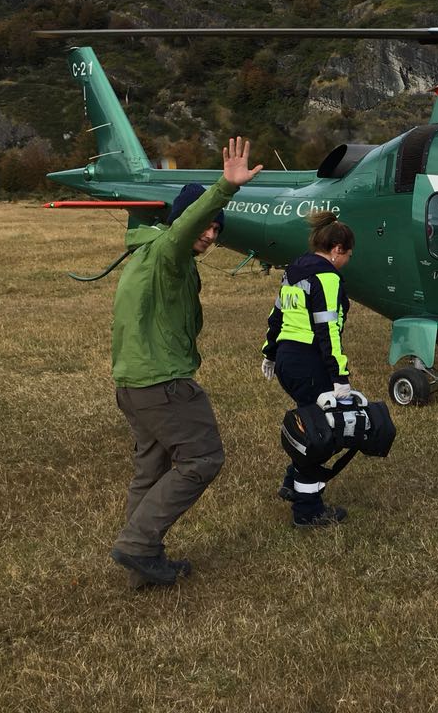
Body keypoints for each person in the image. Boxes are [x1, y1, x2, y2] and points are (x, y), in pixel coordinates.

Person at [109, 136, 263, 588]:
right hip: (162, 382)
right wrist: (225, 188)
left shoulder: (146, 252)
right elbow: (186, 226)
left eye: (218, 228)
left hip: (132, 383)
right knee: (203, 457)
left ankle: (143, 564)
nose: (211, 234)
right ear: (181, 221)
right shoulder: (168, 252)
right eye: (206, 225)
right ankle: (137, 544)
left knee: (151, 468)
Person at [260, 210, 356, 527]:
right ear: (338, 248)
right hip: (309, 360)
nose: (347, 262)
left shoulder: (293, 272)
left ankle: (291, 482)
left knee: (309, 421)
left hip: (288, 358)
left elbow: (277, 315)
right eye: (348, 255)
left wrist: (270, 352)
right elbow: (328, 332)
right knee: (321, 434)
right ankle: (308, 509)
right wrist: (340, 378)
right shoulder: (326, 277)